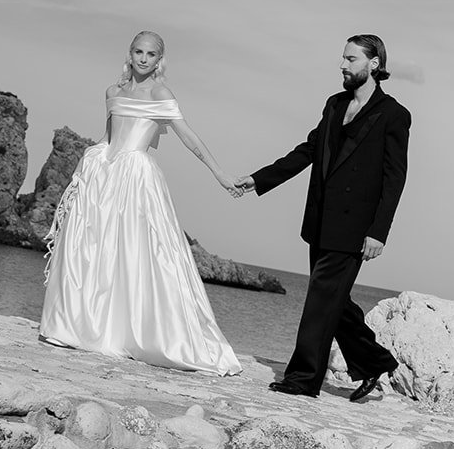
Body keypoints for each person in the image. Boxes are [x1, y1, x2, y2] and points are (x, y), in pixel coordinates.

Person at [39, 30, 243, 376]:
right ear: (130, 53)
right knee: (93, 250)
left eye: (151, 54)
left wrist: (219, 173)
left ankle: (144, 334)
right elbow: (108, 136)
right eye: (138, 51)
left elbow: (188, 137)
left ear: (160, 60)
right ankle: (79, 327)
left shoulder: (161, 93)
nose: (143, 59)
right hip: (103, 174)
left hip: (136, 177)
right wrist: (81, 172)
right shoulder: (113, 91)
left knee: (138, 253)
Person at [237, 34, 410, 401]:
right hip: (320, 220)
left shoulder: (394, 115)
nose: (343, 66)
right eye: (343, 59)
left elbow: (395, 179)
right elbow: (309, 151)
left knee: (320, 299)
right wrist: (259, 178)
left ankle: (302, 379)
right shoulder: (334, 104)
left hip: (355, 228)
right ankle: (374, 360)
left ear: (374, 64)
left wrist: (379, 232)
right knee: (334, 301)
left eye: (351, 59)